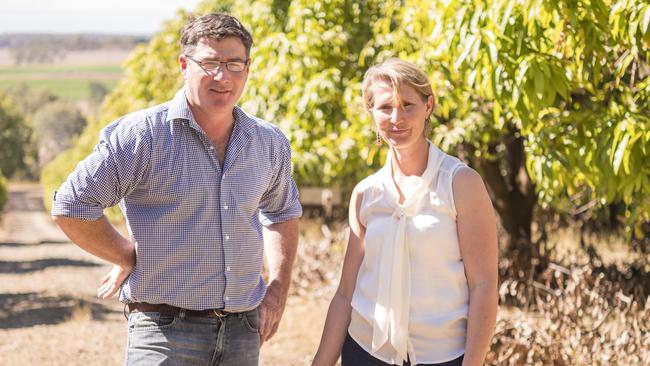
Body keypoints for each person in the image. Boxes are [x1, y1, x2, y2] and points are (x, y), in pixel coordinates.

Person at [51, 13, 302, 366]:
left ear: (247, 68)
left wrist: (277, 290)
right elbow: (71, 205)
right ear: (184, 65)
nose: (222, 76)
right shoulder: (142, 136)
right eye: (210, 63)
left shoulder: (269, 142)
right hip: (164, 332)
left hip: (243, 332)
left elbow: (282, 213)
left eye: (234, 63)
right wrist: (127, 255)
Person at [312, 59, 498, 366]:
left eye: (408, 104)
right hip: (365, 350)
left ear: (429, 106)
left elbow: (484, 285)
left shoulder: (461, 183)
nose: (396, 117)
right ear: (370, 111)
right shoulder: (365, 194)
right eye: (385, 107)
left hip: (443, 355)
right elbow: (345, 294)